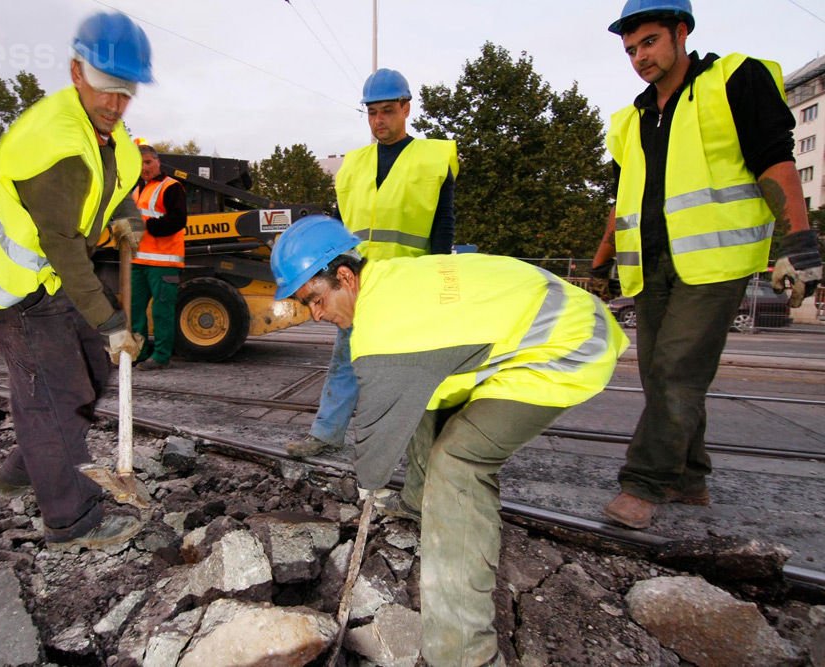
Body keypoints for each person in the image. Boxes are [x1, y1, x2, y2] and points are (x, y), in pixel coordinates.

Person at [271, 215, 627, 666]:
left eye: (317, 300)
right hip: (540, 323)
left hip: (566, 343)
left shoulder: (381, 336)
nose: (317, 315)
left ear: (345, 277)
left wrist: (370, 486)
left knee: (458, 463)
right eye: (307, 306)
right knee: (425, 402)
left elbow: (375, 450)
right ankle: (419, 506)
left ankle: (463, 652)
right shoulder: (389, 274)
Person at [592, 0, 822, 530]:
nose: (639, 57)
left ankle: (644, 484)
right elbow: (623, 197)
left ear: (681, 31)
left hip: (715, 260)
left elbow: (776, 160)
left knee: (677, 369)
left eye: (649, 42)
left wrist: (798, 242)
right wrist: (601, 264)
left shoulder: (733, 81)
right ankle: (690, 478)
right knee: (660, 375)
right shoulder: (632, 118)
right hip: (651, 265)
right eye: (630, 49)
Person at [0, 11, 154, 550]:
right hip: (17, 290)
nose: (115, 104)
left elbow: (116, 176)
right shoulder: (55, 143)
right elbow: (64, 246)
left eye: (125, 92)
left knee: (90, 371)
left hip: (53, 284)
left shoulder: (104, 132)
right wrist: (112, 322)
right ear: (76, 71)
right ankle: (69, 518)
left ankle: (24, 470)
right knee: (53, 394)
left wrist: (128, 211)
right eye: (105, 89)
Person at [286, 68, 459, 458]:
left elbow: (443, 224)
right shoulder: (355, 165)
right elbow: (342, 229)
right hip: (358, 284)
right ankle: (326, 433)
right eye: (372, 113)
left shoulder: (433, 158)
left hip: (409, 283)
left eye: (387, 111)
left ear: (406, 109)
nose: (379, 120)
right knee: (345, 360)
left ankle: (421, 449)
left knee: (411, 370)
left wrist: (436, 279)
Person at [130, 145, 188, 371]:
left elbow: (178, 220)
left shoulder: (172, 187)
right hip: (138, 262)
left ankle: (161, 357)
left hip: (164, 262)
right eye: (140, 163)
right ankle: (139, 354)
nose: (144, 168)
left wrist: (147, 226)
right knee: (135, 311)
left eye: (148, 163)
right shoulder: (137, 190)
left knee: (161, 312)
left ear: (157, 162)